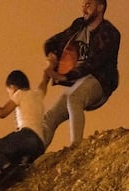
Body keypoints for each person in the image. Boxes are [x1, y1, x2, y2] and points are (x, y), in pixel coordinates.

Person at [41, 0, 120, 149]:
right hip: (79, 81)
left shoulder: (109, 33)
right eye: (83, 5)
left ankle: (75, 147)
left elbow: (94, 62)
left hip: (100, 81)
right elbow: (53, 41)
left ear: (101, 7)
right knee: (50, 117)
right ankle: (29, 160)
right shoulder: (78, 26)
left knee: (74, 98)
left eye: (88, 4)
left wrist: (66, 76)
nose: (84, 8)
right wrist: (51, 54)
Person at [0, 69, 50, 190]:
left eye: (9, 92)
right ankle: (11, 175)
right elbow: (45, 81)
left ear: (13, 87)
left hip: (27, 136)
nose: (10, 95)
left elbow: (2, 113)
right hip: (39, 145)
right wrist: (50, 68)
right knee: (3, 179)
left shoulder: (20, 94)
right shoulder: (37, 94)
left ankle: (8, 169)